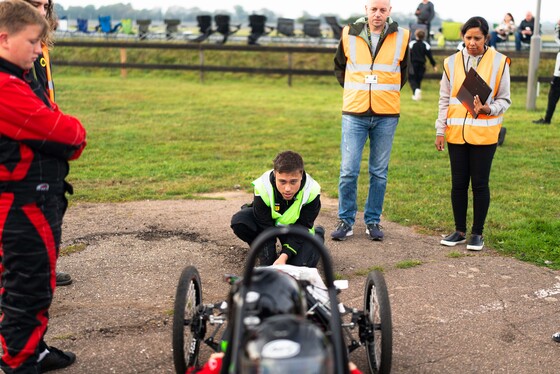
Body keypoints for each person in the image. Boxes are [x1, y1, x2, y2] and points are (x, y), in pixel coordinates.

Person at [0, 1, 87, 372]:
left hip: (33, 199)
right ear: (4, 39)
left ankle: (31, 350)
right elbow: (69, 134)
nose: (40, 50)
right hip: (22, 205)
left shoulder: (20, 79)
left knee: (33, 279)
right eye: (34, 42)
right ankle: (20, 361)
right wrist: (64, 133)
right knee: (28, 284)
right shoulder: (6, 88)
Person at [332, 0, 409, 242]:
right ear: (366, 10)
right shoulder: (348, 33)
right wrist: (357, 92)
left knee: (379, 172)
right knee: (348, 170)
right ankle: (345, 220)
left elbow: (405, 73)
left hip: (386, 114)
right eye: (373, 9)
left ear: (389, 11)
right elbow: (339, 66)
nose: (378, 14)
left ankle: (373, 221)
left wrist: (385, 94)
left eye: (382, 10)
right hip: (354, 112)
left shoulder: (402, 37)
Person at [435, 16, 511, 251]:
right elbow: (444, 99)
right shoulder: (450, 63)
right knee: (458, 184)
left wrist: (488, 108)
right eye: (468, 37)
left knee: (479, 184)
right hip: (456, 133)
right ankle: (459, 230)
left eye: (477, 38)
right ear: (462, 37)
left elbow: (505, 99)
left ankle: (477, 233)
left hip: (484, 135)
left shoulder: (499, 62)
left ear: (486, 38)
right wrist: (440, 130)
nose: (472, 42)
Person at [22, 0, 72, 287]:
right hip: (22, 134)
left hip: (44, 134)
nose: (41, 11)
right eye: (34, 4)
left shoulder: (41, 48)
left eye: (45, 5)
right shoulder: (13, 46)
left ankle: (43, 267)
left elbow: (44, 92)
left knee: (46, 203)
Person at [230, 151, 322, 267]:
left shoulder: (312, 190)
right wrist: (268, 261)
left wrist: (284, 255)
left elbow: (303, 226)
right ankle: (260, 250)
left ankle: (318, 235)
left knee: (300, 264)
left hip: (295, 229)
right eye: (282, 181)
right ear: (275, 174)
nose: (287, 188)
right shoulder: (262, 186)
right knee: (240, 221)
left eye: (293, 181)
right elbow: (264, 226)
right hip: (268, 224)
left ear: (301, 174)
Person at [532, 25, 560, 125]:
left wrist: (557, 26)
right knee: (552, 97)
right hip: (557, 75)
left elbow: (557, 36)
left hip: (558, 76)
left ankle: (547, 120)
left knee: (552, 97)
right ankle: (547, 119)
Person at [409, 28, 437, 101]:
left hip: (413, 64)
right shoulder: (426, 45)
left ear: (416, 35)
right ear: (424, 36)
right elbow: (430, 56)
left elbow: (408, 55)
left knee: (411, 78)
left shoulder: (411, 44)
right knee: (418, 79)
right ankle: (416, 94)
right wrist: (434, 65)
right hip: (422, 65)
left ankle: (415, 90)